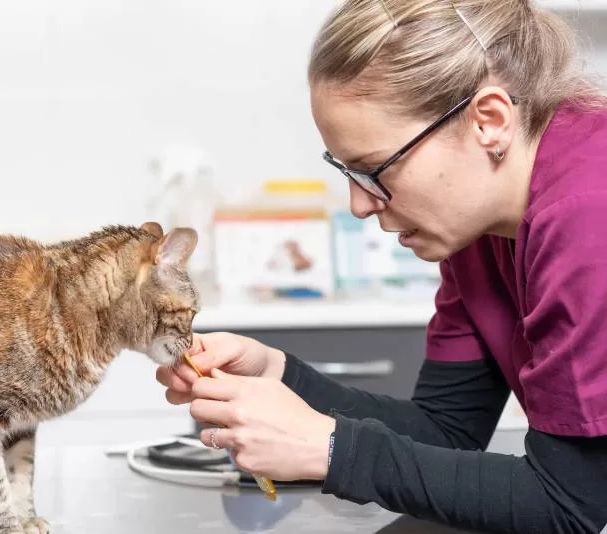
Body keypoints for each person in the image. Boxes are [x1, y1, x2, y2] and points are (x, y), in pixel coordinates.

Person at [156, 1, 607, 532]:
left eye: (374, 170)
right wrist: (280, 375)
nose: (360, 204)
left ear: (489, 121)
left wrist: (327, 451)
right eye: (347, 171)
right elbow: (444, 430)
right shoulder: (476, 229)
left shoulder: (588, 213)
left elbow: (566, 504)